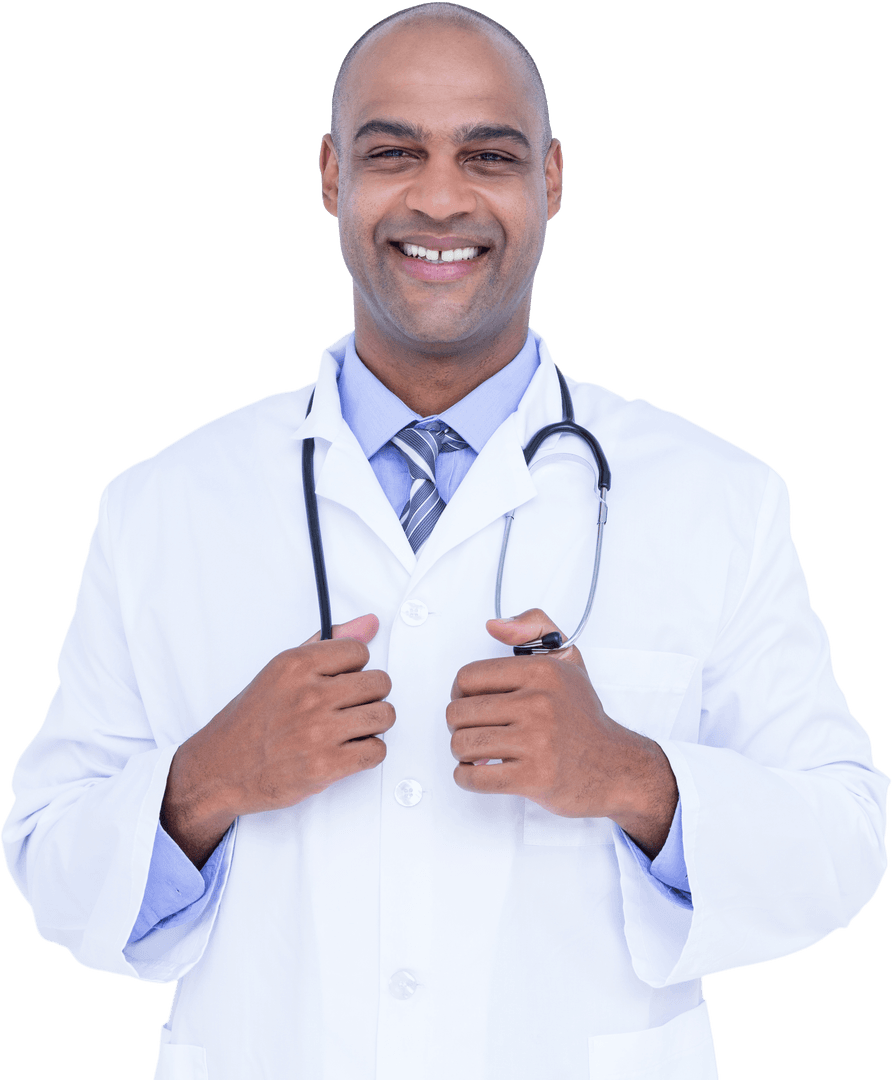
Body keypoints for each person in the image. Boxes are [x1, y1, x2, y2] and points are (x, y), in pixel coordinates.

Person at [2, 4, 888, 1078]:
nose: (437, 197)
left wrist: (634, 778)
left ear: (550, 181)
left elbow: (844, 843)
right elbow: (47, 859)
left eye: (487, 155)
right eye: (391, 153)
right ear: (331, 176)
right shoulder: (165, 503)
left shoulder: (716, 495)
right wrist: (206, 783)